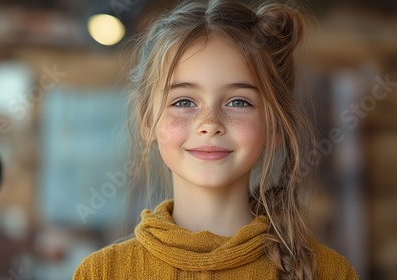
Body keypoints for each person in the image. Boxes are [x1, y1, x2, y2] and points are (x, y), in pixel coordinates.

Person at [74, 0, 358, 279]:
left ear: (274, 125)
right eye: (184, 102)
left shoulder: (330, 272)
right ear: (147, 121)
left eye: (238, 101)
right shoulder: (101, 273)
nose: (209, 124)